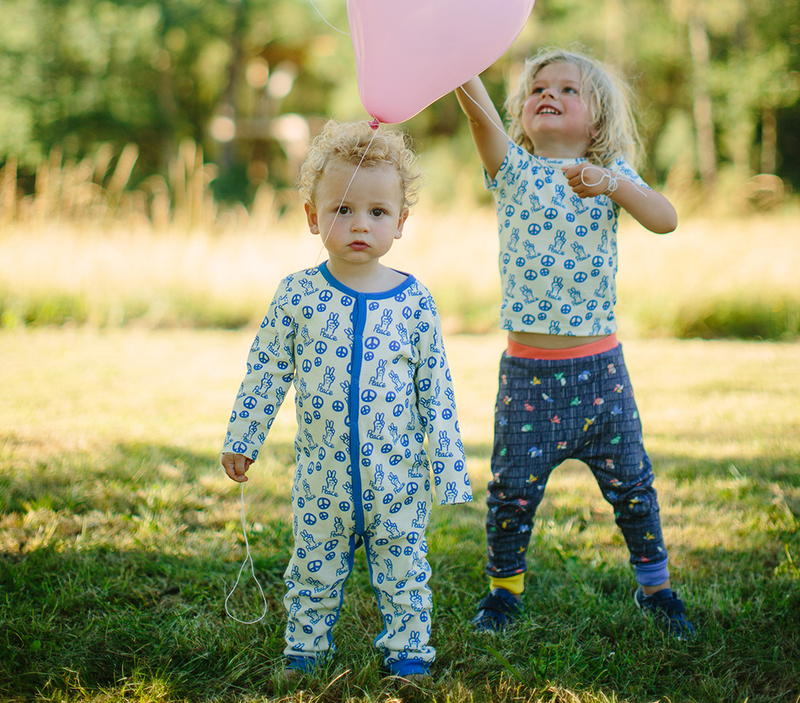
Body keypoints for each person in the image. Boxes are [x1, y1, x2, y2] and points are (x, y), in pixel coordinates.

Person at [455, 48, 695, 639]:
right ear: (522, 110)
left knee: (633, 488)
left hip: (600, 374)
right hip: (527, 375)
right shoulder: (512, 169)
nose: (549, 95)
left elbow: (664, 219)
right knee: (510, 492)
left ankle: (657, 589)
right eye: (538, 88)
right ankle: (503, 593)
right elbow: (478, 113)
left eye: (568, 90)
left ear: (596, 120)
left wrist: (611, 183)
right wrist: (458, 59)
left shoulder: (607, 174)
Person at [221, 119, 472, 680]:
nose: (360, 224)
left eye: (378, 212)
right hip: (322, 476)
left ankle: (408, 654)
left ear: (401, 222)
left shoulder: (414, 301)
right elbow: (266, 371)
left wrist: (450, 468)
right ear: (314, 216)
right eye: (342, 210)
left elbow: (436, 389)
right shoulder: (298, 295)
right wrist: (244, 436)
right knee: (313, 567)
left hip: (397, 478)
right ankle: (306, 652)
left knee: (405, 567)